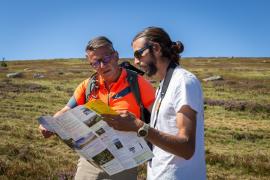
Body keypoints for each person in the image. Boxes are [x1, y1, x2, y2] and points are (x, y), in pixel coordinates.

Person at [39, 36, 156, 180]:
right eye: (95, 62)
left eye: (105, 59)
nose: (102, 66)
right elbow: (66, 110)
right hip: (91, 160)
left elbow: (159, 117)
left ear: (116, 56)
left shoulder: (138, 83)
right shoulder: (88, 85)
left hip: (126, 159)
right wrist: (50, 124)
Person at [103, 27, 206, 180]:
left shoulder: (183, 82)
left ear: (156, 48)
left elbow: (186, 147)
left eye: (139, 54)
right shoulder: (163, 85)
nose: (136, 62)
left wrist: (139, 127)